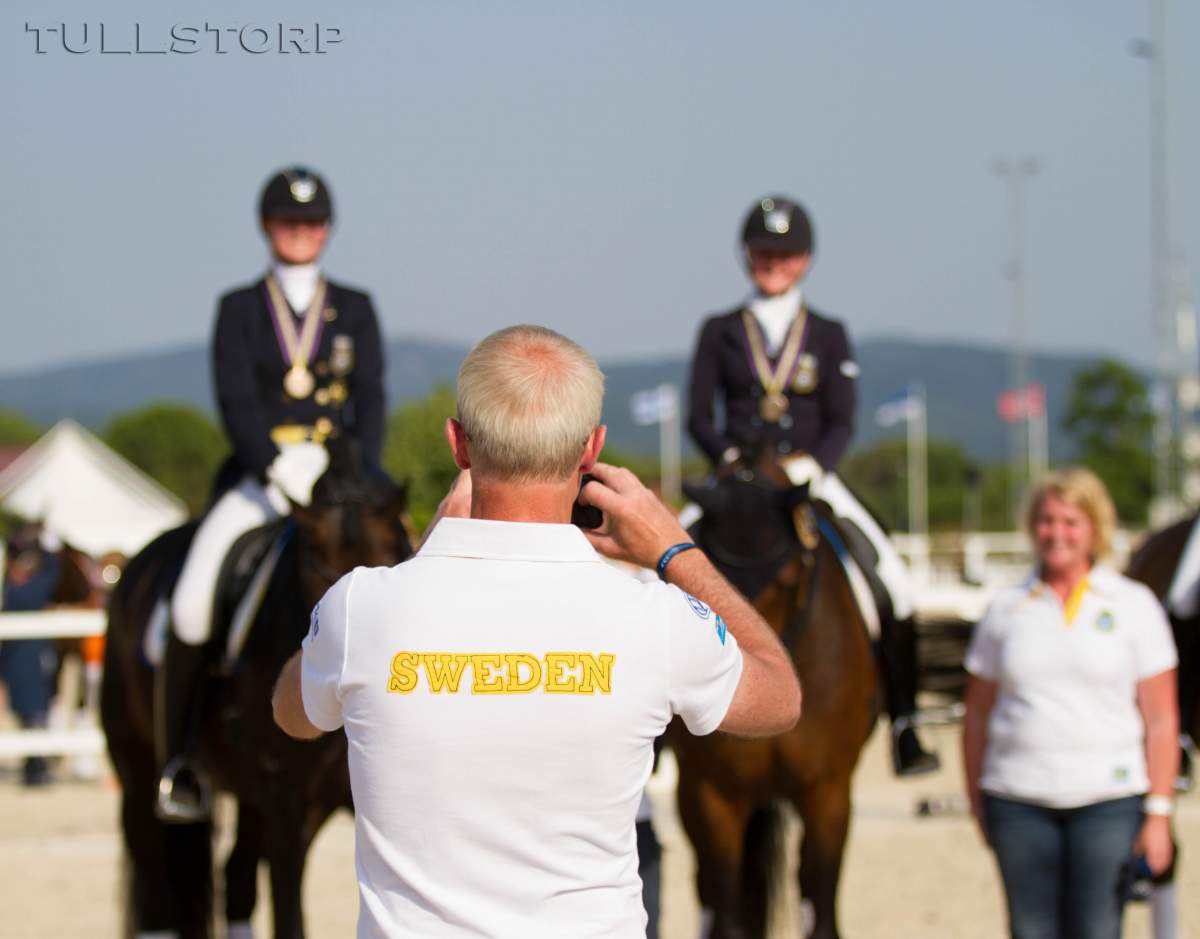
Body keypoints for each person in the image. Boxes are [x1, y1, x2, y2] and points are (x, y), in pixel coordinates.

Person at [272, 324, 801, 937]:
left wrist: (425, 558)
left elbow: (291, 714)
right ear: (591, 448)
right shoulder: (657, 615)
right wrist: (675, 551)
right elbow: (781, 695)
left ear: (458, 444)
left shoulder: (361, 606)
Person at [156, 166, 387, 822]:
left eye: (311, 222)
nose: (300, 232)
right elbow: (235, 400)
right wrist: (272, 467)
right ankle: (181, 760)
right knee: (192, 602)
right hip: (264, 479)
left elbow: (370, 399)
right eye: (289, 222)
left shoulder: (355, 307)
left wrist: (357, 472)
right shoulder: (239, 308)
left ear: (328, 229)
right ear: (267, 227)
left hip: (336, 481)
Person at [686, 194, 937, 775]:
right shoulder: (721, 331)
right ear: (746, 256)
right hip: (737, 477)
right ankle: (653, 731)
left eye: (786, 254)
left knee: (893, 583)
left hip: (807, 475)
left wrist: (811, 467)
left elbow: (841, 417)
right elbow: (700, 415)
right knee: (658, 563)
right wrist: (730, 460)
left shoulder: (827, 333)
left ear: (804, 260)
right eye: (763, 252)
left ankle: (905, 723)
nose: (774, 263)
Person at [963, 468, 1179, 939]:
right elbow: (976, 713)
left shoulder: (1134, 605)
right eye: (1046, 520)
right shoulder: (1005, 608)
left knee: (1098, 929)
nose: (1056, 533)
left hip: (1108, 801)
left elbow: (1162, 719)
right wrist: (976, 799)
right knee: (1029, 931)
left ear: (1094, 529)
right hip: (1017, 799)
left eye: (1070, 522)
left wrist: (1159, 812)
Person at [0, 523, 62, 786]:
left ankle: (36, 766)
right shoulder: (14, 589)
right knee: (26, 713)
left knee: (36, 712)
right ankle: (33, 765)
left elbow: (51, 572)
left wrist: (45, 548)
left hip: (33, 660)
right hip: (16, 661)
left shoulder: (29, 588)